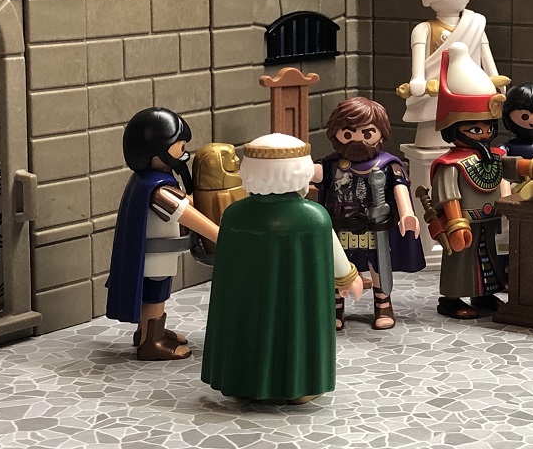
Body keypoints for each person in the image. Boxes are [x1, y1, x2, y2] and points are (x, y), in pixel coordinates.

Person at [201, 133, 363, 403]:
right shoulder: (314, 217)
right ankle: (300, 385)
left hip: (248, 301)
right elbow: (335, 255)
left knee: (248, 326)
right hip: (296, 301)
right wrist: (349, 279)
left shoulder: (235, 215)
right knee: (296, 329)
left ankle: (243, 380)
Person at [427, 42, 533, 320]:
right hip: (464, 221)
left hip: (489, 219)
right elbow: (449, 196)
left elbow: (511, 166)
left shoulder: (491, 156)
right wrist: (455, 223)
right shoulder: (450, 164)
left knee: (487, 258)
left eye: (488, 128)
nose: (484, 134)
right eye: (475, 129)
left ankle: (483, 294)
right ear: (454, 129)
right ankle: (450, 299)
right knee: (460, 260)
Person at [106, 107, 220, 361]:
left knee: (153, 294)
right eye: (179, 146)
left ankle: (147, 332)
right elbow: (185, 213)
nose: (183, 152)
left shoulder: (149, 182)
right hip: (156, 257)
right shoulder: (158, 190)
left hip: (155, 255)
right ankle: (152, 342)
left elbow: (185, 203)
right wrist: (219, 235)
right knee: (155, 295)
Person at [313, 97, 424, 331]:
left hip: (375, 228)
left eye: (367, 133)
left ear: (380, 134)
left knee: (378, 267)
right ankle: (335, 307)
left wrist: (406, 213)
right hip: (339, 226)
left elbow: (400, 188)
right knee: (337, 266)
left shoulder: (388, 165)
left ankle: (383, 305)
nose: (357, 139)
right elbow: (311, 174)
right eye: (349, 133)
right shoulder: (331, 165)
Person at [401, 0, 503, 149]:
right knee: (431, 129)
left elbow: (485, 55)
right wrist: (418, 78)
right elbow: (419, 60)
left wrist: (494, 79)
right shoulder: (424, 29)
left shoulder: (476, 24)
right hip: (435, 88)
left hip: (469, 89)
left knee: (468, 124)